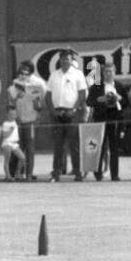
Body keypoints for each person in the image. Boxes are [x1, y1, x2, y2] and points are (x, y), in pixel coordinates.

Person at [45, 49, 87, 181]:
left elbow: (82, 94)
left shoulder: (78, 74)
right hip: (57, 112)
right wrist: (52, 111)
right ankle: (56, 173)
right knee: (58, 145)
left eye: (68, 59)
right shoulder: (54, 75)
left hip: (72, 112)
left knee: (74, 144)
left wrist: (74, 109)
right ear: (60, 60)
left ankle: (78, 172)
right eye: (63, 59)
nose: (65, 61)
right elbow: (48, 95)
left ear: (72, 60)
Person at [7, 60, 45, 182]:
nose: (23, 75)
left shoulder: (37, 85)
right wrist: (16, 99)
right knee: (17, 147)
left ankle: (29, 174)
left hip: (31, 121)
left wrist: (37, 103)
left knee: (30, 148)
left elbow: (41, 106)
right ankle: (17, 173)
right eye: (21, 73)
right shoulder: (12, 88)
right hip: (18, 121)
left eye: (26, 73)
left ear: (30, 73)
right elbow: (9, 106)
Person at [87, 64, 123, 181]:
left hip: (114, 118)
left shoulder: (119, 86)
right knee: (100, 147)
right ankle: (98, 174)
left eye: (110, 71)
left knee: (114, 148)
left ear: (115, 72)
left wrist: (120, 98)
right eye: (106, 71)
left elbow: (126, 103)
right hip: (100, 118)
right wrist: (99, 100)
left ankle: (115, 174)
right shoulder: (96, 86)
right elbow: (89, 102)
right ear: (102, 73)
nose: (108, 73)